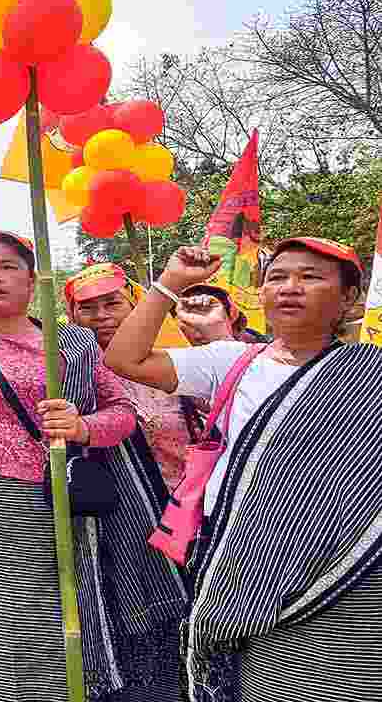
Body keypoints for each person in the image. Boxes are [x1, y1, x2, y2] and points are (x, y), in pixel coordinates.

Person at [0, 233, 184, 702]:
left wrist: (82, 427)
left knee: (57, 613)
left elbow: (122, 411)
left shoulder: (74, 344)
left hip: (56, 499)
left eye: (7, 267)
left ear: (33, 279)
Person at [104, 238, 382, 702]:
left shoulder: (369, 372)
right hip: (247, 566)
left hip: (346, 572)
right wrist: (171, 282)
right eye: (278, 276)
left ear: (349, 297)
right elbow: (123, 359)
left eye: (310, 277)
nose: (290, 288)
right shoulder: (233, 360)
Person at [65, 263, 201, 488]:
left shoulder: (170, 360)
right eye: (87, 308)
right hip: (118, 507)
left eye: (113, 303)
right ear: (73, 316)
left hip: (189, 497)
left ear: (135, 307)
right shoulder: (70, 372)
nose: (101, 316)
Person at [176, 283, 265, 345]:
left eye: (207, 317)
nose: (201, 327)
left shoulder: (270, 353)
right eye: (188, 321)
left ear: (232, 314)